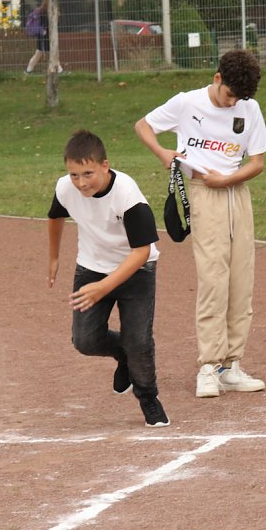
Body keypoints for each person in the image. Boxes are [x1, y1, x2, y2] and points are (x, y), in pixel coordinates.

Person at [134, 49, 266, 399]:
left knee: (242, 280)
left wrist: (229, 180)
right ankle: (208, 366)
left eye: (239, 99)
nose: (232, 104)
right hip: (201, 194)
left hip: (236, 195)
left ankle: (231, 365)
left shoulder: (249, 108)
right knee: (214, 278)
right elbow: (143, 126)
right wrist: (163, 153)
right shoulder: (186, 103)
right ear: (217, 79)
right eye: (229, 95)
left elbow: (257, 162)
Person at [47, 129, 168, 427]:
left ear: (105, 165)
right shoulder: (66, 188)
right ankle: (121, 354)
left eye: (88, 173)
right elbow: (55, 216)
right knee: (85, 340)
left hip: (136, 270)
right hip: (91, 267)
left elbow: (142, 252)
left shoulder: (127, 195)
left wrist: (104, 287)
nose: (81, 183)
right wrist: (53, 257)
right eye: (74, 175)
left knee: (138, 341)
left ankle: (148, 397)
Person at [24, 0, 64, 75]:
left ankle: (29, 70)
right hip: (45, 36)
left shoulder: (42, 10)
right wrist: (56, 15)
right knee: (43, 52)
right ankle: (59, 70)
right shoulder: (45, 11)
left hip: (43, 36)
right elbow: (49, 24)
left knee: (40, 53)